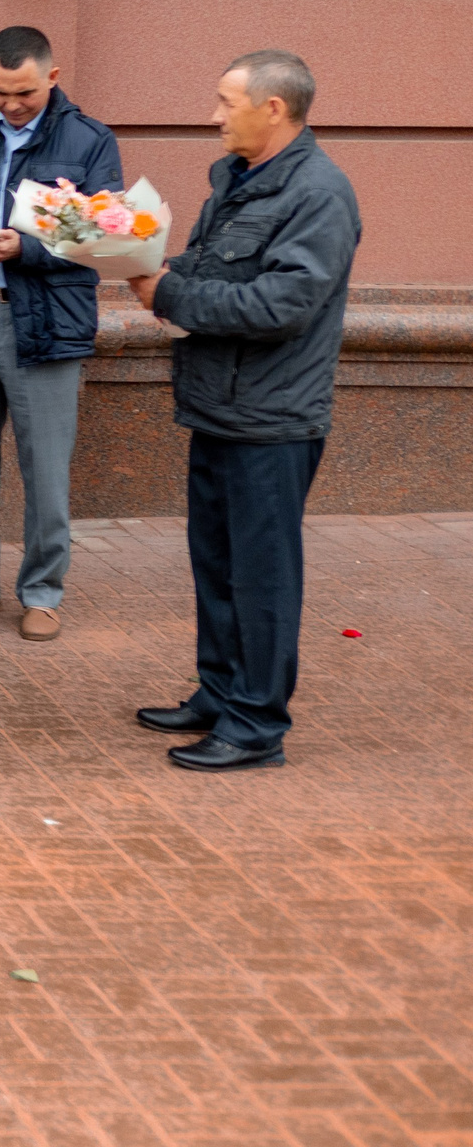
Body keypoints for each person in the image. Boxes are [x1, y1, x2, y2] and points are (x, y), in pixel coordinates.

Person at [127, 51, 358, 773]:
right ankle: (222, 691)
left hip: (272, 418)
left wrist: (169, 294)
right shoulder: (237, 178)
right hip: (220, 406)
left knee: (261, 576)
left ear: (274, 108)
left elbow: (283, 304)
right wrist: (135, 255)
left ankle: (256, 724)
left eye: (227, 102)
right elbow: (214, 268)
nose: (215, 116)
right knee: (218, 564)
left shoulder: (319, 193)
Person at [0, 25, 122, 644]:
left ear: (52, 77)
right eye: (0, 91)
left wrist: (25, 249)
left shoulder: (90, 140)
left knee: (45, 467)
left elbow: (109, 235)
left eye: (25, 93)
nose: (11, 104)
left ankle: (42, 592)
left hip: (45, 319)